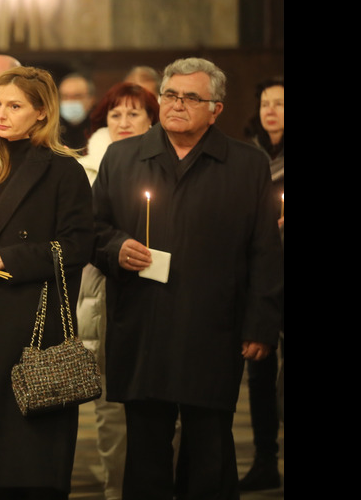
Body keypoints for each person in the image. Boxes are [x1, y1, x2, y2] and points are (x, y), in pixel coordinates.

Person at [92, 58, 283, 499]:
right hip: (143, 322)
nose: (177, 104)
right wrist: (116, 248)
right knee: (146, 449)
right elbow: (92, 230)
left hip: (212, 326)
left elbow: (264, 253)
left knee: (209, 448)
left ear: (216, 108)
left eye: (191, 97)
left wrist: (261, 324)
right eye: (171, 95)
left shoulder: (246, 163)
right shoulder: (123, 157)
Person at [0, 67, 93, 499]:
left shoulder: (64, 171)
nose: (0, 114)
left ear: (41, 112)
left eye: (14, 106)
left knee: (25, 461)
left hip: (31, 325)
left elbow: (78, 246)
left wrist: (7, 258)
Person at [76, 82, 159, 500]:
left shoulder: (163, 163)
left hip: (157, 291)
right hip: (100, 291)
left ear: (151, 119)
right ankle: (114, 489)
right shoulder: (87, 166)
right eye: (115, 115)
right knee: (109, 405)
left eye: (134, 114)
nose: (124, 122)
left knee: (160, 401)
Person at [238, 76, 284, 492]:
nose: (271, 110)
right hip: (261, 278)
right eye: (266, 103)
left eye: (281, 104)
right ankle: (264, 458)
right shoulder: (248, 157)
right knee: (259, 373)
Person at [58, 72, 96, 152]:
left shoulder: (100, 126)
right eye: (65, 96)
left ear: (91, 100)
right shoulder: (51, 127)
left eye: (77, 96)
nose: (70, 101)